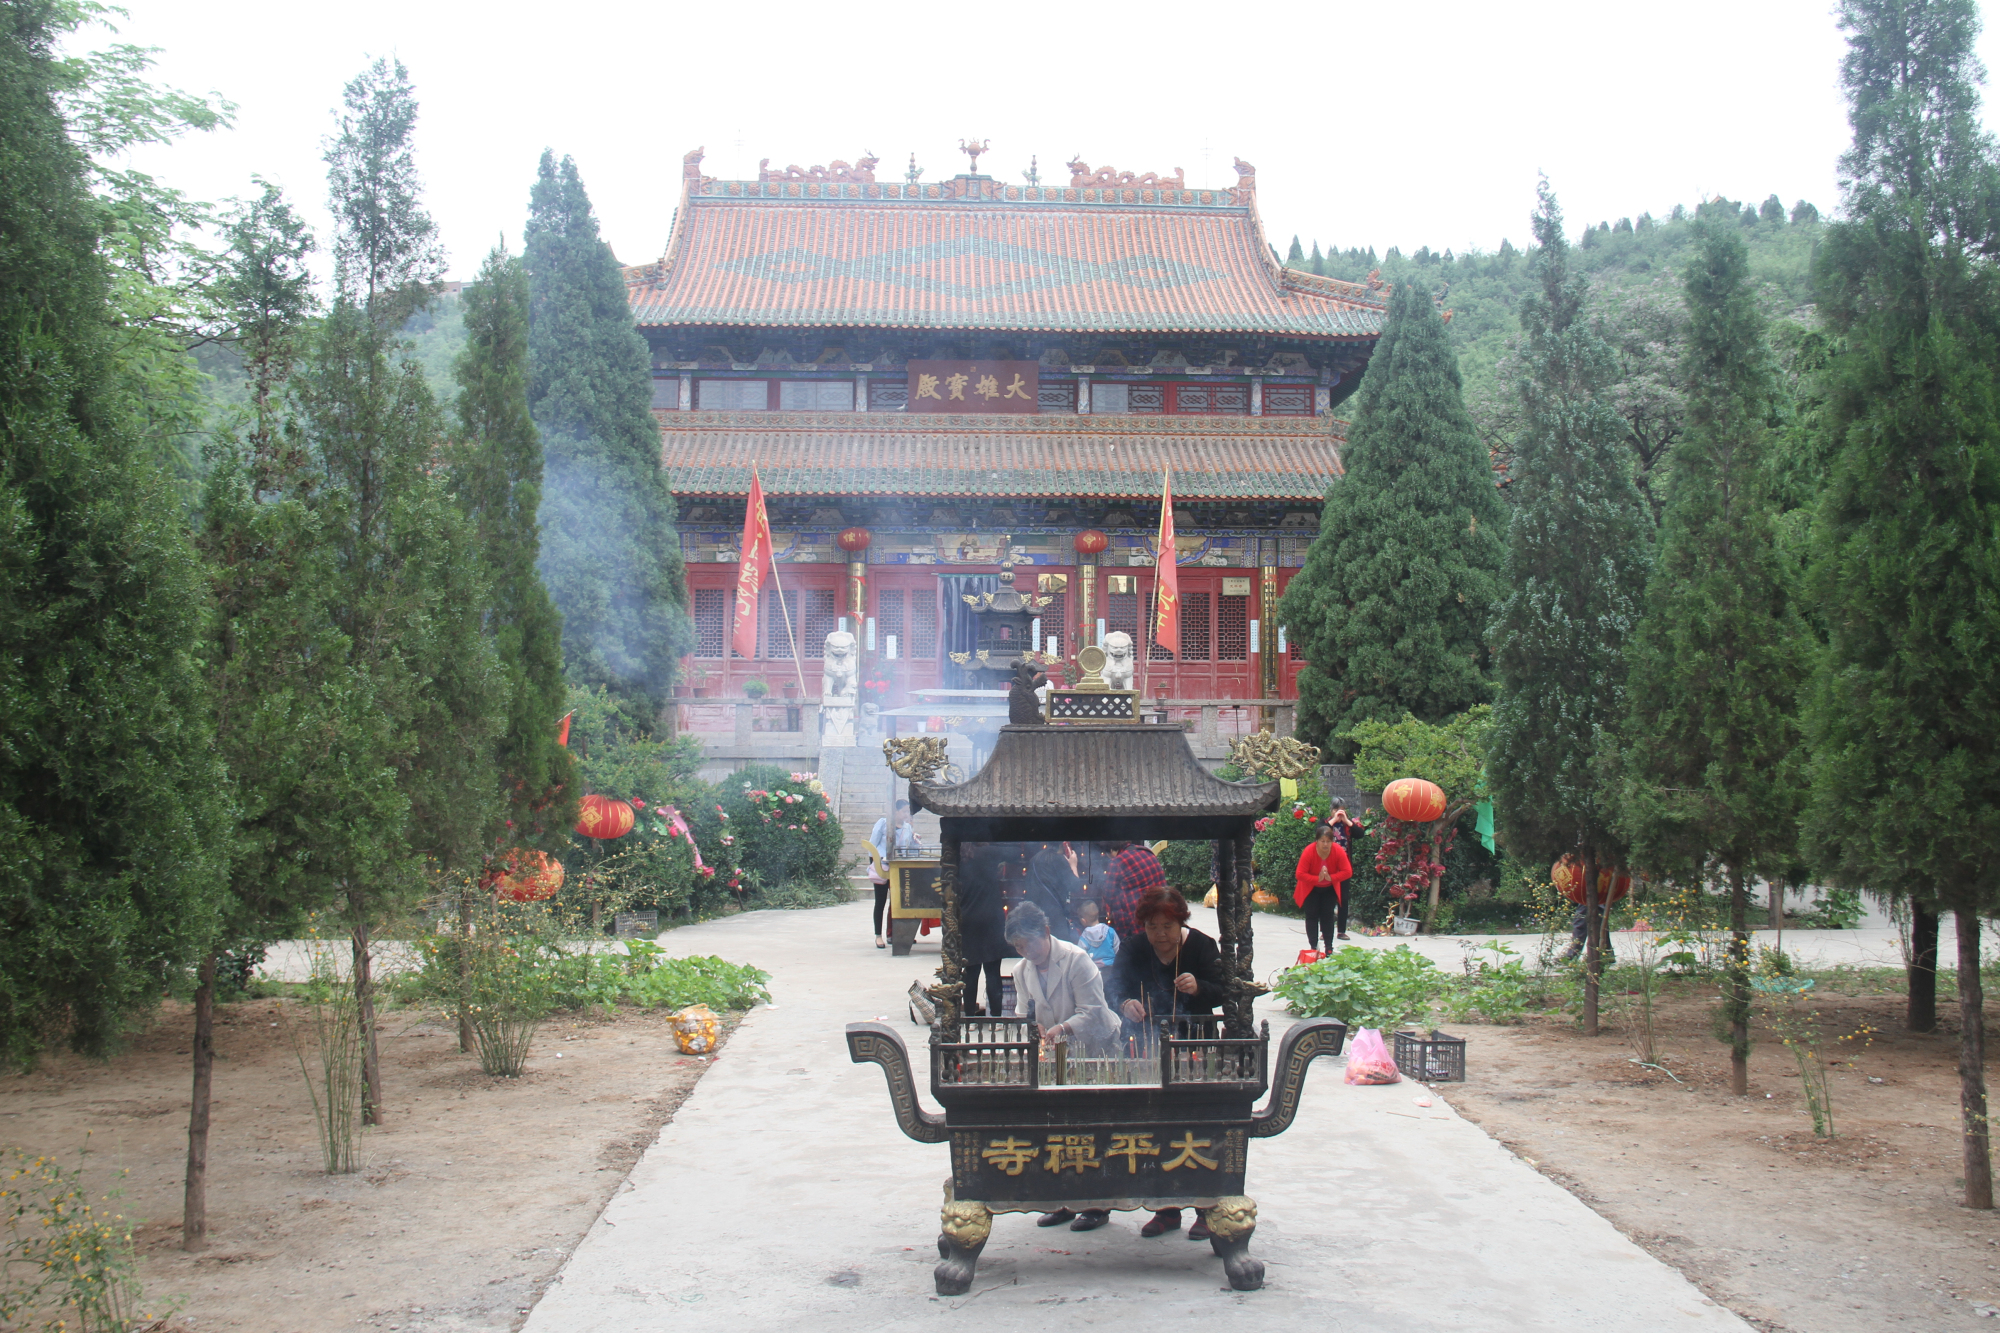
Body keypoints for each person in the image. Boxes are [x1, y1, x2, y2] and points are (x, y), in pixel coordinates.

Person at [1108, 885, 1228, 1243]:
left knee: (1199, 1124)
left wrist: (1199, 987)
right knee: (1156, 1124)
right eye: (1152, 926)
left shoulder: (1203, 946)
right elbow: (1113, 986)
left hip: (1195, 1045)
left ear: (1181, 922)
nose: (1160, 935)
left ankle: (1206, 1208)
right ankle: (1165, 1208)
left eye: (1167, 926)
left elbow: (1224, 989)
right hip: (1145, 1044)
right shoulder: (1133, 947)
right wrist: (1126, 1002)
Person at [957, 847, 1008, 1017]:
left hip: (968, 918)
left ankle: (970, 1014)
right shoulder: (990, 854)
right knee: (993, 971)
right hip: (991, 918)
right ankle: (996, 1015)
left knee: (970, 971)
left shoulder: (959, 860)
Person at [1295, 821, 1354, 950]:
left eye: (1328, 841)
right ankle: (1313, 946)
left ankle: (1328, 947)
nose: (1325, 844)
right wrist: (1317, 879)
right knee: (1311, 916)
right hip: (1311, 888)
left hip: (1329, 888)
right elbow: (1300, 874)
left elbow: (1348, 872)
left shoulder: (1338, 851)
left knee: (1328, 916)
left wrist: (1330, 878)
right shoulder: (1309, 851)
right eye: (1322, 841)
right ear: (1317, 841)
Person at [867, 801, 917, 949]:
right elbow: (872, 846)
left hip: (898, 869)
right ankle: (878, 935)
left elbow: (909, 849)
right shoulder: (883, 824)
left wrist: (915, 841)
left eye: (908, 812)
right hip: (883, 867)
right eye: (904, 811)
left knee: (896, 903)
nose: (906, 815)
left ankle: (894, 933)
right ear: (896, 811)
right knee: (880, 902)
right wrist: (876, 864)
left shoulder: (907, 828)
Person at [1101, 840, 1167, 940]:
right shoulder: (1147, 852)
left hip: (1138, 924)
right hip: (1162, 915)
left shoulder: (1117, 862)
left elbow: (1109, 894)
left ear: (1111, 851)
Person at [1025, 842, 1084, 942]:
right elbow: (1075, 886)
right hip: (1055, 917)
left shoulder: (1035, 858)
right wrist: (1073, 865)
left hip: (1035, 914)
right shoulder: (1058, 859)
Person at [1076, 897, 1117, 972]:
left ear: (1083, 921)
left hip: (1094, 972)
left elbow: (1080, 957)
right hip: (1112, 969)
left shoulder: (1084, 937)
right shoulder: (1110, 931)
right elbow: (1118, 951)